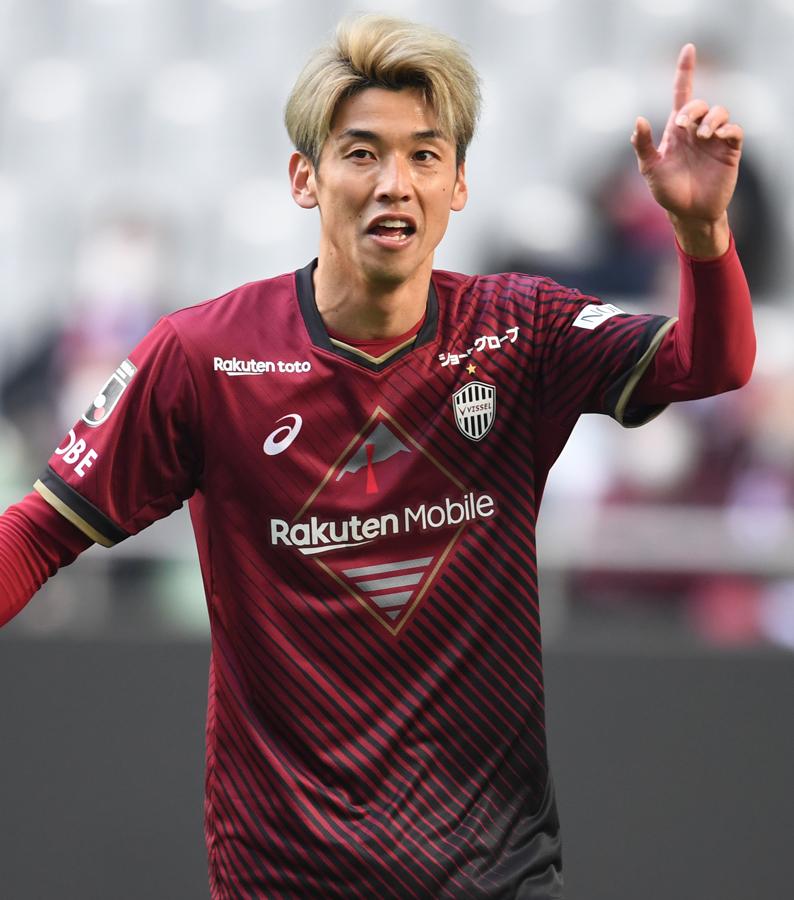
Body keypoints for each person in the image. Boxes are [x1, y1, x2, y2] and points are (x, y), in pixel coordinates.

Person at [0, 15, 755, 900]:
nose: (394, 183)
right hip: (286, 877)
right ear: (305, 177)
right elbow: (38, 534)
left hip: (495, 872)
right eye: (361, 153)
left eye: (424, 156)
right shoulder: (205, 357)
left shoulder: (521, 332)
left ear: (459, 183)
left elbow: (710, 364)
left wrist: (702, 232)